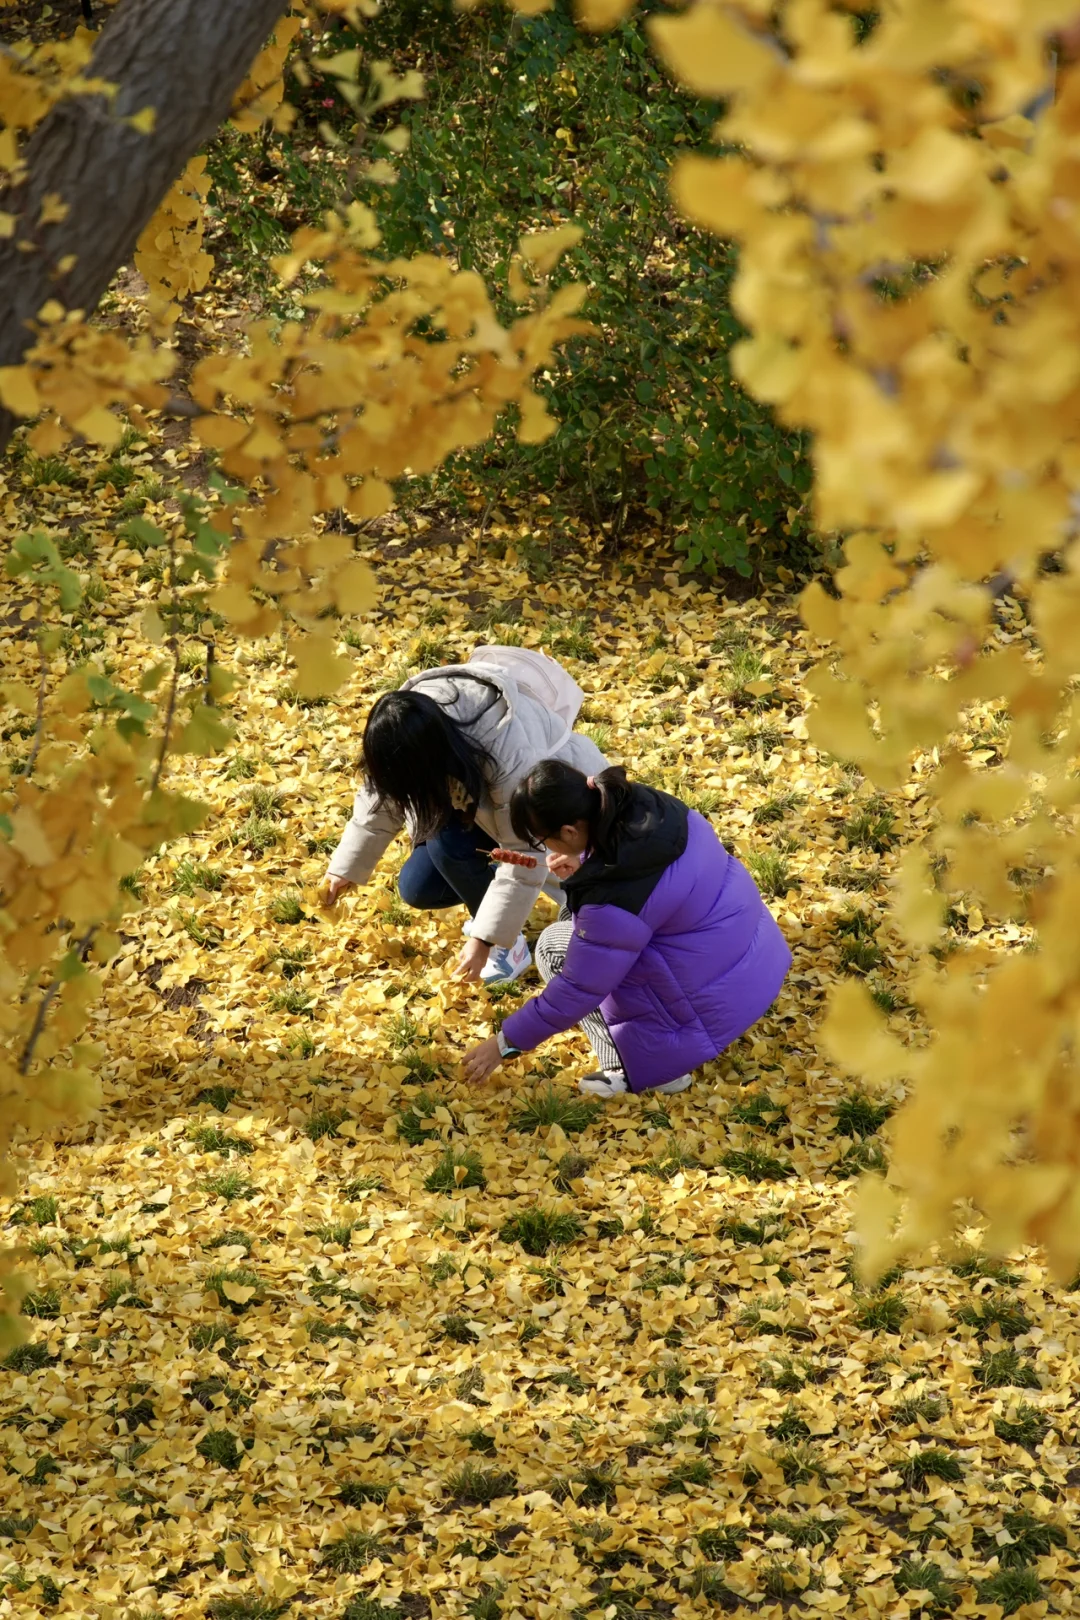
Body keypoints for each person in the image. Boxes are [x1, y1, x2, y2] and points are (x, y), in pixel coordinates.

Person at [462, 761, 792, 1096]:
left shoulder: (612, 898)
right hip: (753, 962)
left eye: (543, 839)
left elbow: (578, 988)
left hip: (711, 1005)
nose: (545, 849)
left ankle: (639, 1070)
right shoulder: (649, 805)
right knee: (573, 914)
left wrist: (504, 1043)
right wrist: (584, 868)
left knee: (552, 947)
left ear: (570, 832)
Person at [324, 659, 608, 984]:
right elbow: (383, 791)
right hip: (484, 808)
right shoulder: (407, 723)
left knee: (449, 845)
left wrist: (486, 938)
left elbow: (526, 850)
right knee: (419, 888)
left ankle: (509, 947)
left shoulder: (505, 746)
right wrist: (344, 868)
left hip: (555, 808)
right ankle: (494, 896)